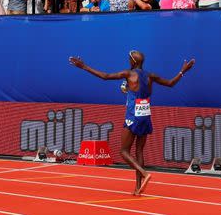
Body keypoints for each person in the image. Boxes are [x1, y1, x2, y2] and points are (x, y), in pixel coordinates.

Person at [69, 51, 195, 195]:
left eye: (129, 59)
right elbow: (171, 83)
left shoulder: (128, 74)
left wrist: (84, 66)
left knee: (124, 151)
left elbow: (105, 76)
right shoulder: (150, 76)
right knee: (139, 151)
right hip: (146, 115)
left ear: (133, 62)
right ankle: (137, 188)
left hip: (133, 115)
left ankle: (144, 173)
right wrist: (183, 70)